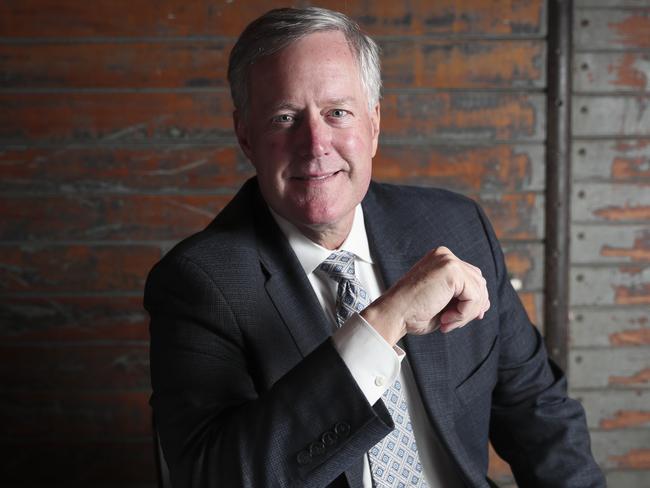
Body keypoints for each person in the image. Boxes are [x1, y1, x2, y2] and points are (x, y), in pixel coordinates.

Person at [145, 7, 605, 488]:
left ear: (374, 124)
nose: (315, 143)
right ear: (246, 136)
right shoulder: (198, 282)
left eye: (337, 113)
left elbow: (539, 411)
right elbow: (214, 477)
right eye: (285, 118)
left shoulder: (455, 225)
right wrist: (383, 322)